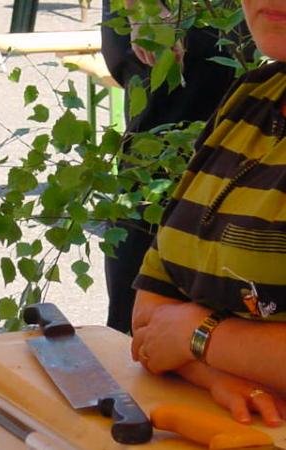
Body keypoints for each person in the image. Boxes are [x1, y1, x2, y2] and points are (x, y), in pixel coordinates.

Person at [131, 0, 286, 427]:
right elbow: (150, 315)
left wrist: (199, 334)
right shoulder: (254, 95)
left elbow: (174, 326)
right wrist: (209, 371)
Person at [101, 0, 244, 333]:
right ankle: (135, 337)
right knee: (157, 181)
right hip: (173, 18)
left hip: (236, 20)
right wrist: (145, 10)